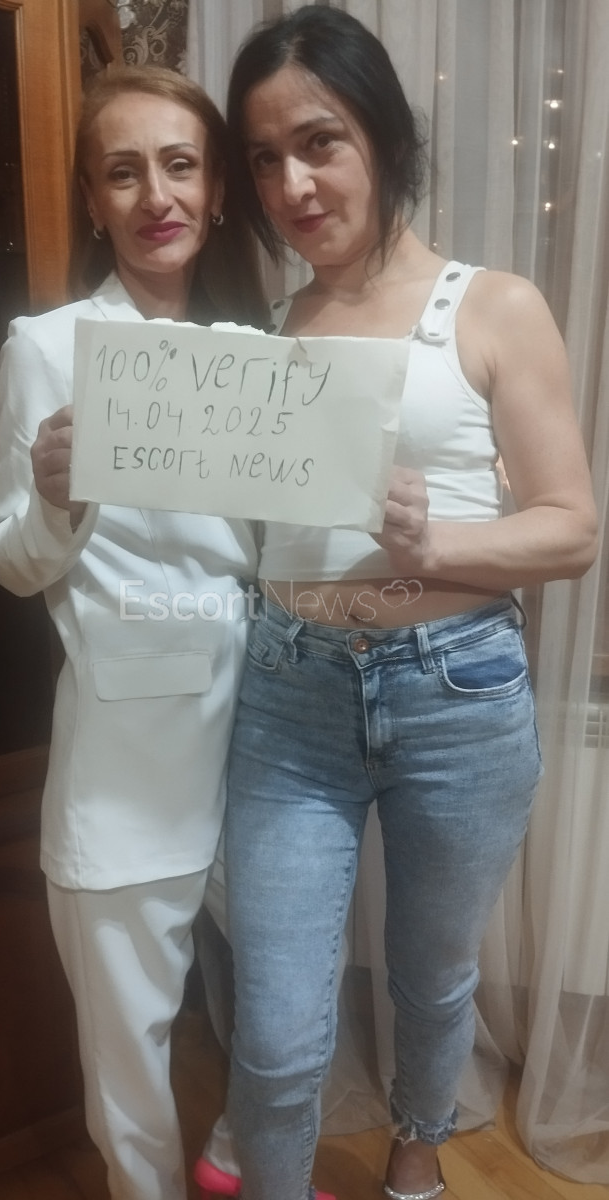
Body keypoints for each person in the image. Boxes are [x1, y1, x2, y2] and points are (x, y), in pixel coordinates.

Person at [210, 7, 599, 1200]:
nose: (292, 184)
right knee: (279, 1020)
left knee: (433, 978)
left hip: (457, 694)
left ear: (383, 135)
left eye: (319, 142)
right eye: (264, 158)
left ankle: (417, 1160)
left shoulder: (494, 306)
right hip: (289, 696)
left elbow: (573, 527)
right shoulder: (266, 334)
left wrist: (439, 541)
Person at [0, 64, 268, 1200]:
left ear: (217, 192)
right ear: (93, 203)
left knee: (286, 1004)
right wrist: (57, 502)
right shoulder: (48, 347)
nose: (157, 195)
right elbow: (11, 559)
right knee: (131, 1056)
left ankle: (241, 1162)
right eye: (122, 171)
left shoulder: (265, 353)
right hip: (128, 756)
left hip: (270, 738)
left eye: (181, 165)